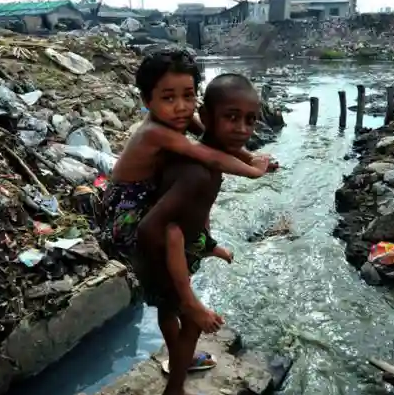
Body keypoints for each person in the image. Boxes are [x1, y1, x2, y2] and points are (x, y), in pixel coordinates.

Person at [136, 73, 262, 395]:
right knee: (190, 321)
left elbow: (193, 218)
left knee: (168, 310)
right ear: (206, 118)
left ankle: (181, 359)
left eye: (250, 120)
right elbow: (165, 229)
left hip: (166, 251)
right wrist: (191, 300)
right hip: (158, 249)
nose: (241, 128)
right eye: (231, 117)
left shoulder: (206, 158)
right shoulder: (197, 173)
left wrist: (211, 246)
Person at [101, 49, 271, 264]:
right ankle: (179, 283)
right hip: (124, 213)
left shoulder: (176, 117)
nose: (181, 107)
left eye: (188, 96)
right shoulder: (154, 131)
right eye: (169, 98)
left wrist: (250, 157)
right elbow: (209, 155)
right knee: (196, 177)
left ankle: (206, 242)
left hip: (148, 191)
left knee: (202, 178)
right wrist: (253, 171)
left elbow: (210, 137)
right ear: (147, 100)